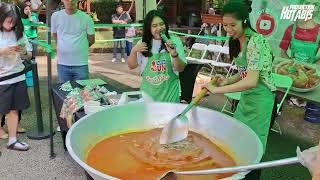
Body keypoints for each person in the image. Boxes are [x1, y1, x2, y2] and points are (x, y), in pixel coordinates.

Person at [203, 1, 275, 179]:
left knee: (255, 146)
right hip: (247, 98)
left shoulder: (257, 41)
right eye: (225, 25)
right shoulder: (237, 40)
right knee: (239, 139)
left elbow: (251, 81)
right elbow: (244, 73)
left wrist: (216, 90)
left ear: (244, 21)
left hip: (261, 100)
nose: (228, 29)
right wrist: (226, 81)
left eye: (232, 25)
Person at [128, 10, 186, 102]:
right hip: (148, 98)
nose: (159, 28)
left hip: (170, 97)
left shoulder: (174, 41)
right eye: (154, 26)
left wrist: (174, 54)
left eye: (161, 24)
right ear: (149, 28)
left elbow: (181, 68)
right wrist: (134, 51)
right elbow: (131, 66)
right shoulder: (143, 43)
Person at [0, 2, 33, 151]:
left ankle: (12, 141)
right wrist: (2, 51)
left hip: (18, 76)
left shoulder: (19, 32)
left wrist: (23, 52)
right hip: (2, 78)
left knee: (14, 110)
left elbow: (29, 55)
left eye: (14, 22)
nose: (11, 24)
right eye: (8, 21)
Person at [51, 0, 95, 83]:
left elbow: (91, 39)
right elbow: (54, 34)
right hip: (62, 63)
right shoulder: (55, 16)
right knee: (64, 93)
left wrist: (79, 48)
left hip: (81, 64)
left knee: (83, 92)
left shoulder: (87, 18)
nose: (70, 1)